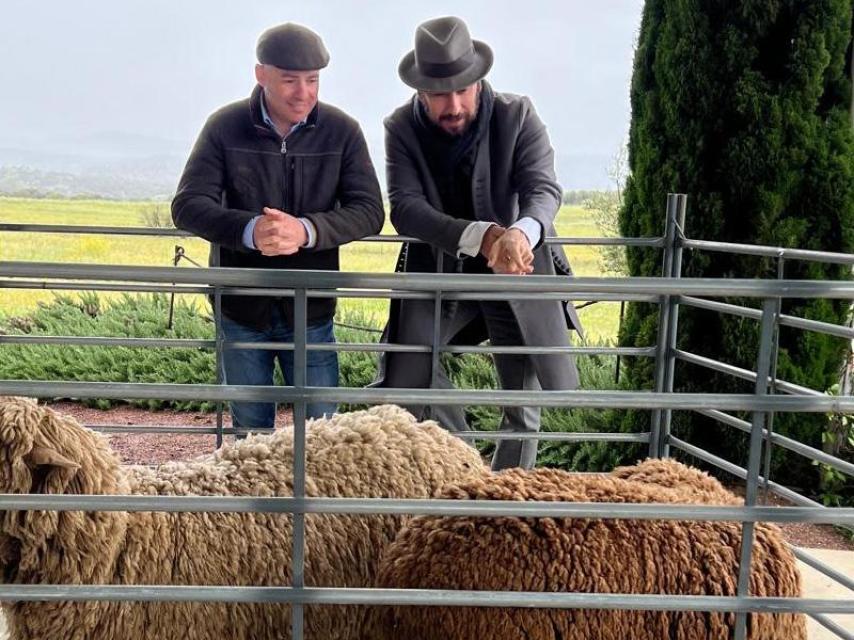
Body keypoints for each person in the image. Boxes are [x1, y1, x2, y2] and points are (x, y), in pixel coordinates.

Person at [375, 16, 583, 470]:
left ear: (479, 79)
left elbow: (543, 191)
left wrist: (519, 233)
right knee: (409, 370)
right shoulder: (400, 128)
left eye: (462, 89)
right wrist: (482, 236)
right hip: (439, 275)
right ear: (420, 90)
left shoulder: (518, 114)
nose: (453, 104)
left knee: (521, 404)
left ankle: (506, 500)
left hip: (516, 271)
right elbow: (405, 208)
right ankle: (466, 467)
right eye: (439, 94)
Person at [172, 23, 384, 429]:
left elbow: (371, 210)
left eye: (312, 80)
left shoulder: (344, 131)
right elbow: (187, 206)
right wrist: (251, 230)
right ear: (261, 74)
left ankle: (314, 496)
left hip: (313, 311)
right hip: (240, 308)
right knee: (251, 432)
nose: (303, 92)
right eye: (290, 80)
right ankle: (255, 497)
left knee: (322, 431)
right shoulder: (223, 126)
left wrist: (306, 231)